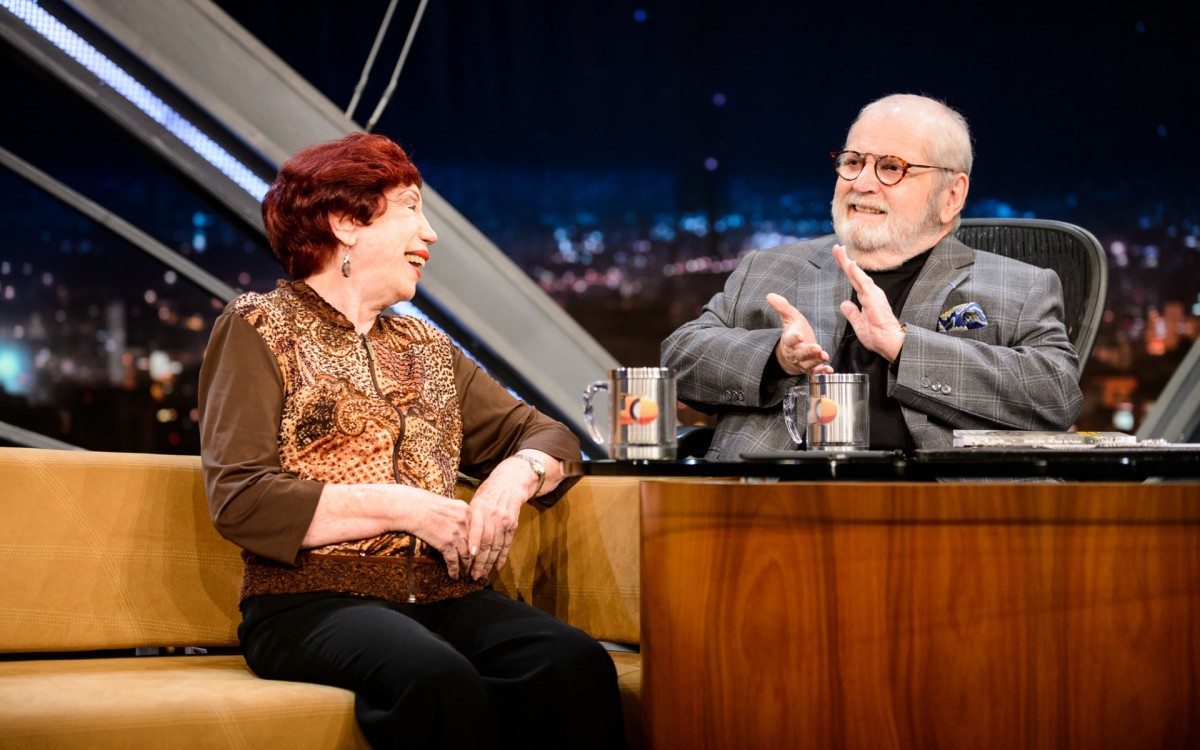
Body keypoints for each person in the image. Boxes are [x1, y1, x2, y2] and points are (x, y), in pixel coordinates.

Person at [198, 132, 627, 750]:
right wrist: (408, 507)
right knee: (435, 678)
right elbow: (241, 497)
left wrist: (514, 477)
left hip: (440, 595)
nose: (430, 234)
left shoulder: (426, 349)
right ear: (347, 222)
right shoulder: (257, 328)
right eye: (410, 208)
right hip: (309, 601)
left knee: (572, 662)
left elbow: (546, 433)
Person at [662, 94, 1083, 461]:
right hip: (769, 513)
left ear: (951, 196)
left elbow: (1055, 395)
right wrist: (777, 357)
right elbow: (679, 360)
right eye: (853, 162)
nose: (862, 183)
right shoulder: (769, 269)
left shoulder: (1022, 286)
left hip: (941, 518)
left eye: (890, 167)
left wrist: (903, 346)